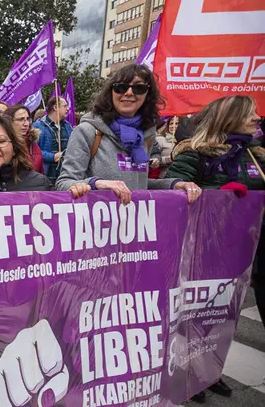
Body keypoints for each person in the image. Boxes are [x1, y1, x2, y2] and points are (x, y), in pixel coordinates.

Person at [167, 97, 264, 398]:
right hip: (203, 250)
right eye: (249, 114)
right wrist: (217, 195)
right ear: (230, 117)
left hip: (242, 252)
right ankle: (185, 371)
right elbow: (172, 192)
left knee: (225, 315)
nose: (257, 118)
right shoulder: (195, 153)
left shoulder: (255, 154)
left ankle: (211, 371)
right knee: (195, 314)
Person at [55, 64, 200, 203]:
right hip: (97, 224)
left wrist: (174, 185)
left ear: (148, 94)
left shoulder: (146, 137)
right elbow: (64, 184)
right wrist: (96, 184)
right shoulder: (88, 131)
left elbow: (137, 185)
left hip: (132, 224)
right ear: (111, 92)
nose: (129, 93)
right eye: (121, 87)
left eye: (139, 88)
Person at [33, 97, 73, 181]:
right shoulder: (38, 126)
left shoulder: (68, 126)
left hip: (65, 176)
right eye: (65, 106)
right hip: (45, 176)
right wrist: (53, 157)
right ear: (55, 107)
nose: (68, 108)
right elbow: (33, 152)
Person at [4, 105, 44, 174]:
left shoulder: (33, 145)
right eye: (21, 119)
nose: (26, 124)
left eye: (27, 119)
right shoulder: (4, 146)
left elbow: (41, 173)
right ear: (9, 121)